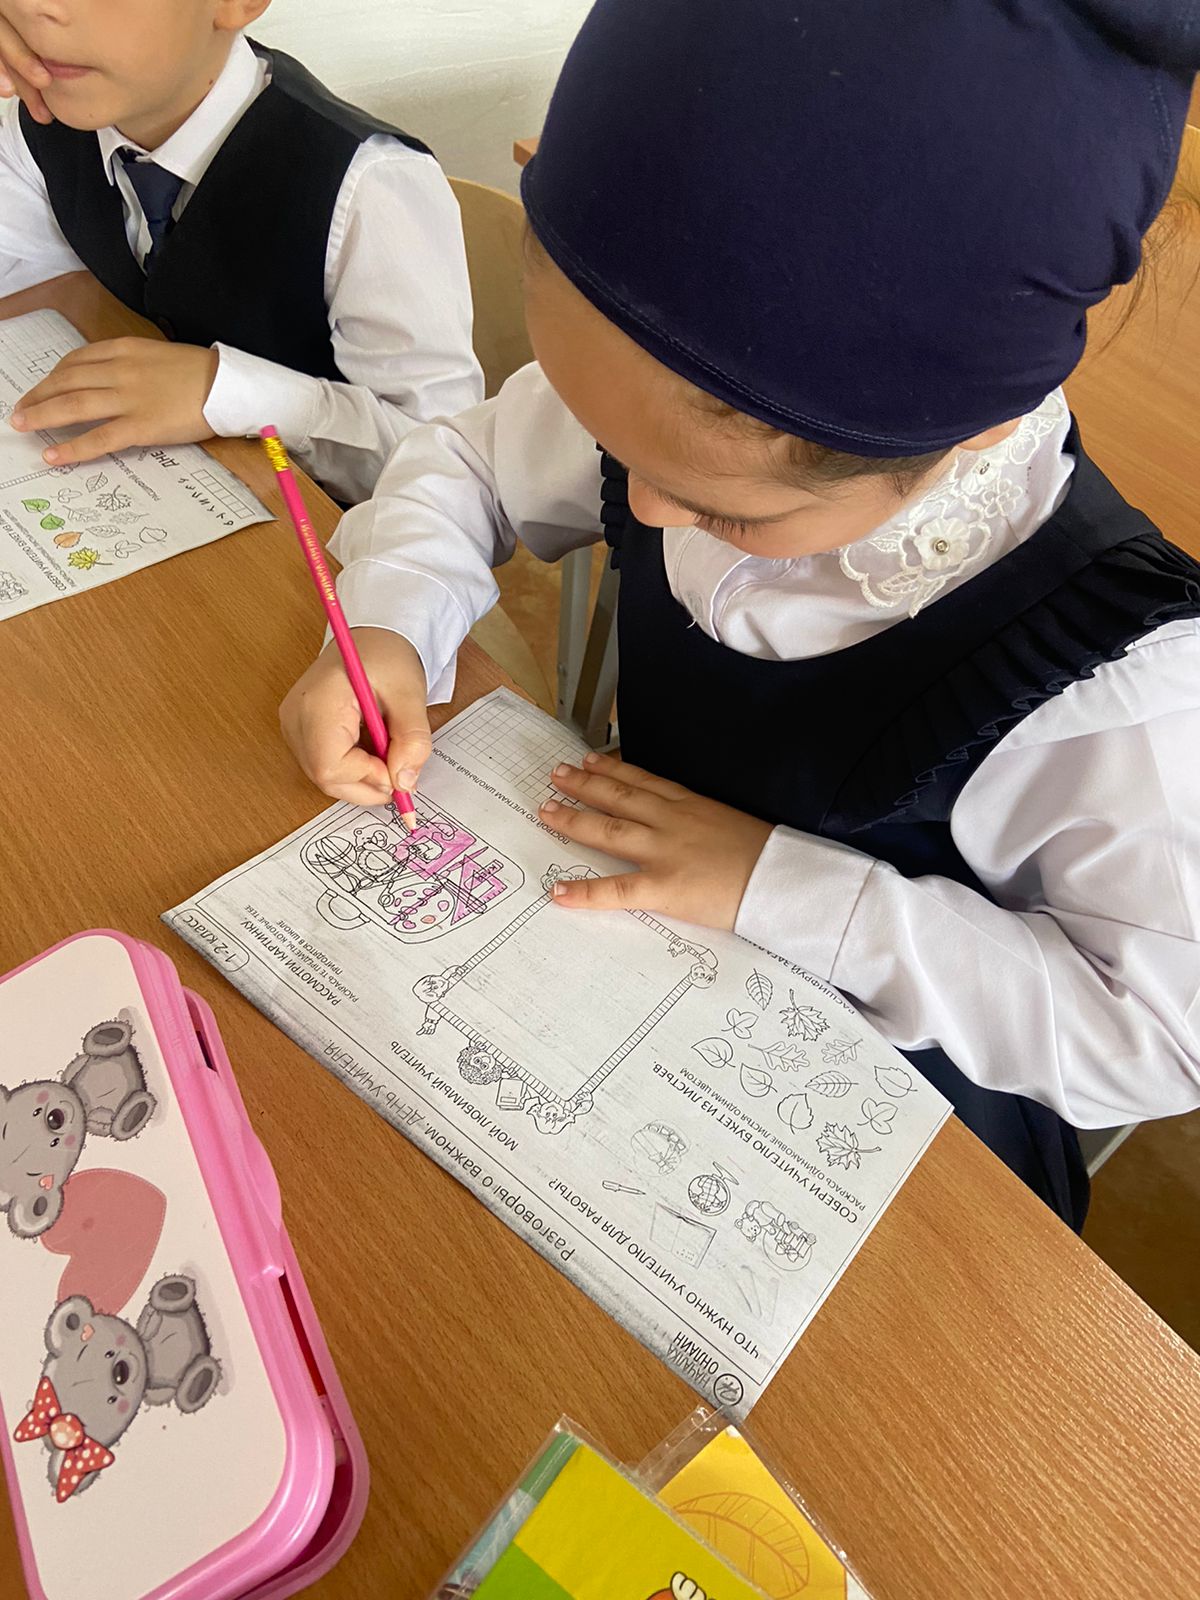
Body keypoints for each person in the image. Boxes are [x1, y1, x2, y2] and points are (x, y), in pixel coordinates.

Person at [280, 0, 1200, 1229]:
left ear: (969, 431)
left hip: (886, 1153)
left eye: (722, 512)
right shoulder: (677, 407)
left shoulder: (1121, 691)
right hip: (622, 999)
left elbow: (1152, 1032)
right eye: (608, 438)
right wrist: (390, 623)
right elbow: (472, 461)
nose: (643, 510)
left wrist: (786, 890)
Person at [0, 1, 481, 505]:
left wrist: (229, 393)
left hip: (325, 534)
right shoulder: (44, 122)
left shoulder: (369, 187)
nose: (37, 7)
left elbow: (447, 470)